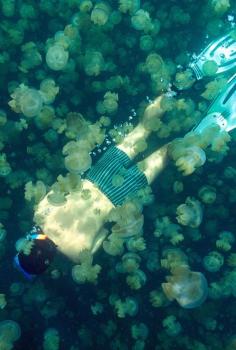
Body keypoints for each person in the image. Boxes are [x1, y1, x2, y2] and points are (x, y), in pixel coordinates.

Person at [14, 32, 236, 281]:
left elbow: (104, 235)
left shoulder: (77, 255)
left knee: (163, 155)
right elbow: (61, 186)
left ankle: (200, 133)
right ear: (29, 241)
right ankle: (178, 86)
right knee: (141, 129)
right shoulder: (40, 213)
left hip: (118, 200)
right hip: (98, 175)